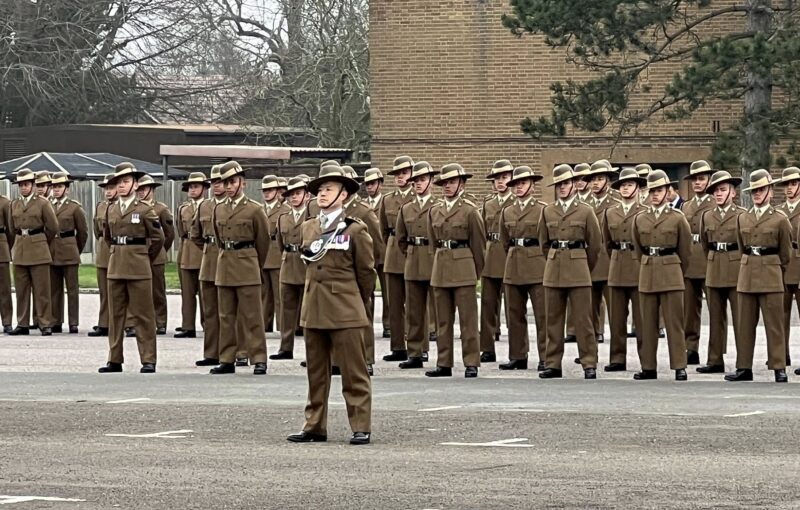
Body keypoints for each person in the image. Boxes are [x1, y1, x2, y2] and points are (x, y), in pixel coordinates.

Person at [287, 164, 374, 445]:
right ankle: (314, 425)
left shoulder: (356, 230)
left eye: (329, 189)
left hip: (345, 309)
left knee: (353, 372)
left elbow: (366, 274)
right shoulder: (308, 227)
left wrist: (355, 303)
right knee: (316, 372)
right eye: (320, 190)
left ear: (344, 195)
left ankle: (360, 425)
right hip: (314, 308)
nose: (322, 194)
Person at [725, 169, 791, 383]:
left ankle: (778, 366)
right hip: (747, 272)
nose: (757, 194)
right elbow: (742, 245)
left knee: (775, 324)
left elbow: (785, 253)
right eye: (754, 191)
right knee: (744, 324)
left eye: (761, 190)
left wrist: (774, 268)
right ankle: (744, 367)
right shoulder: (742, 217)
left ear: (770, 191)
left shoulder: (780, 219)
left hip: (771, 273)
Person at [99, 163, 164, 373]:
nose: (121, 186)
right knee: (115, 315)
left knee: (143, 315)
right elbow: (108, 237)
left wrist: (143, 256)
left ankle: (148, 359)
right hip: (116, 265)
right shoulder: (110, 209)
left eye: (126, 181)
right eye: (118, 182)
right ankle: (114, 359)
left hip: (138, 267)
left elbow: (157, 239)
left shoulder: (145, 209)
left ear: (136, 184)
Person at [538, 164, 602, 379]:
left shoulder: (586, 211)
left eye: (565, 183)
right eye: (559, 185)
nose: (562, 188)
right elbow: (544, 244)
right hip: (554, 267)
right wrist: (555, 259)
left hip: (578, 268)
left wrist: (583, 264)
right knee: (553, 320)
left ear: (574, 184)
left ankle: (589, 362)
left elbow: (594, 245)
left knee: (583, 320)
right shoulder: (548, 211)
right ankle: (552, 363)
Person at [209, 161, 270, 376]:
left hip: (247, 265)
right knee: (226, 316)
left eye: (232, 181)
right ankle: (227, 358)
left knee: (252, 315)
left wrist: (254, 263)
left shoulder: (254, 209)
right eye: (225, 183)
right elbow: (218, 239)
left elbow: (263, 241)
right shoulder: (219, 208)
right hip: (225, 264)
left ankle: (259, 358)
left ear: (242, 183)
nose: (228, 186)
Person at [631, 169, 692, 381]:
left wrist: (676, 269)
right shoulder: (640, 218)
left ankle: (679, 365)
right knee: (647, 324)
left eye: (659, 190)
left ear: (668, 192)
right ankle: (648, 366)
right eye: (652, 191)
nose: (655, 195)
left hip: (671, 272)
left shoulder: (677, 218)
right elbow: (639, 250)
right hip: (648, 271)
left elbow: (686, 251)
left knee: (674, 323)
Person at [425, 163, 485, 378]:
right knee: (442, 320)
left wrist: (475, 272)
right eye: (444, 183)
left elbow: (479, 246)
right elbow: (433, 243)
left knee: (468, 320)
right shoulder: (435, 210)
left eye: (452, 182)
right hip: (441, 267)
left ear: (462, 184)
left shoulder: (470, 211)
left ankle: (471, 362)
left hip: (464, 267)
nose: (447, 186)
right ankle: (444, 362)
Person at [498, 165, 546, 371]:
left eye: (523, 183)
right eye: (515, 184)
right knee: (514, 314)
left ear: (532, 186)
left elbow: (546, 239)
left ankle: (546, 357)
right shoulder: (507, 211)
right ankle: (518, 355)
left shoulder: (542, 209)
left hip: (536, 264)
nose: (518, 187)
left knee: (543, 315)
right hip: (514, 264)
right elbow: (504, 240)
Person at [697, 170, 745, 374]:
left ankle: (743, 362)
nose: (718, 194)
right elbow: (705, 244)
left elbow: (745, 244)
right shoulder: (707, 215)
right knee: (715, 318)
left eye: (723, 190)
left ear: (733, 193)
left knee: (741, 318)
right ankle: (715, 359)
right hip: (714, 267)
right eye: (715, 190)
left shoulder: (742, 215)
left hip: (735, 268)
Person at [602, 167, 647, 371]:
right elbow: (606, 242)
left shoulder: (645, 212)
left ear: (638, 188)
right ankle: (617, 358)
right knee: (617, 318)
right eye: (622, 185)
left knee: (642, 319)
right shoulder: (610, 213)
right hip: (617, 265)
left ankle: (646, 359)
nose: (625, 188)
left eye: (629, 185)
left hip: (638, 268)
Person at [395, 161, 439, 369]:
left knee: (437, 309)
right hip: (413, 259)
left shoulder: (438, 207)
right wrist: (411, 252)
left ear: (431, 182)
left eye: (422, 180)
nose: (418, 184)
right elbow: (401, 239)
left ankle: (439, 352)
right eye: (415, 181)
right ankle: (415, 352)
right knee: (413, 310)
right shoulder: (406, 209)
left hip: (433, 259)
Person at [9, 169, 58, 336]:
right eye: (21, 185)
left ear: (33, 185)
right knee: (21, 290)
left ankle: (45, 323)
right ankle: (22, 323)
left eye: (26, 184)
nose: (23, 188)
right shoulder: (14, 204)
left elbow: (52, 227)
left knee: (42, 290)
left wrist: (42, 241)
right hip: (20, 249)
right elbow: (11, 228)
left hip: (38, 249)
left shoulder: (43, 203)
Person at [271, 176, 312, 360]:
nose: (294, 197)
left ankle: (311, 351)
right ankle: (285, 348)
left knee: (309, 313)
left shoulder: (312, 218)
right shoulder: (282, 218)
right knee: (286, 311)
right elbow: (280, 244)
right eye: (291, 194)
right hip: (288, 265)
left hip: (305, 267)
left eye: (298, 193)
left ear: (306, 195)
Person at [380, 156, 416, 361]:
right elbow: (383, 229)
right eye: (397, 174)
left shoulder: (417, 197)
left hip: (414, 252)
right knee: (393, 303)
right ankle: (397, 346)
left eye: (403, 173)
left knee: (414, 304)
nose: (400, 177)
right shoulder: (387, 200)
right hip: (393, 253)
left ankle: (417, 346)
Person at [479, 160, 514, 363]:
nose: (500, 182)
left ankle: (516, 349)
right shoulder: (488, 204)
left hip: (510, 256)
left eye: (504, 178)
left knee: (513, 308)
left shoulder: (515, 203)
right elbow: (481, 231)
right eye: (497, 179)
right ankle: (487, 348)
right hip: (491, 256)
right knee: (488, 305)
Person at [681, 160, 716, 365]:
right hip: (689, 260)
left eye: (701, 178)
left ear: (709, 180)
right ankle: (691, 348)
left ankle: (715, 352)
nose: (697, 183)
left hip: (708, 259)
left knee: (715, 310)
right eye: (694, 179)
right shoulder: (686, 205)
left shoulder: (714, 203)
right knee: (689, 310)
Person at [48, 172, 88, 334]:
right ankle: (56, 320)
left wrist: (76, 249)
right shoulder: (48, 205)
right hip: (52, 252)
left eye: (59, 187)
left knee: (72, 290)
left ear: (67, 189)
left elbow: (83, 232)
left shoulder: (74, 207)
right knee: (54, 290)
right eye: (54, 187)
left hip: (69, 250)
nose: (56, 190)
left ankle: (73, 322)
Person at [134, 174, 175, 336]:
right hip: (139, 253)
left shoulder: (161, 209)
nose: (141, 192)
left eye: (144, 189)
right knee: (140, 291)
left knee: (157, 291)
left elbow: (169, 234)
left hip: (156, 254)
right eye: (139, 189)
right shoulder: (135, 208)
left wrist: (160, 250)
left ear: (152, 190)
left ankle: (161, 322)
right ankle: (142, 322)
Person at [585, 159, 620, 343]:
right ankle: (592, 341)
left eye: (599, 178)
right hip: (589, 259)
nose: (595, 183)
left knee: (614, 307)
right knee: (589, 305)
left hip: (610, 259)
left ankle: (616, 347)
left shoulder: (617, 202)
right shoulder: (584, 203)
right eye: (593, 179)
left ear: (608, 180)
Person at [174, 173, 207, 337]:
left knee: (206, 294)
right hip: (187, 252)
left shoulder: (209, 207)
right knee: (187, 293)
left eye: (196, 186)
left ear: (204, 188)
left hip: (204, 253)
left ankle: (208, 324)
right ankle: (188, 326)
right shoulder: (183, 208)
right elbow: (181, 231)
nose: (192, 190)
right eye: (190, 187)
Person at [363, 168, 392, 338]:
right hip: (368, 252)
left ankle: (388, 324)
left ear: (380, 184)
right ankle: (368, 324)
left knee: (388, 291)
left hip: (384, 252)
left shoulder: (387, 202)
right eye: (367, 184)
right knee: (368, 290)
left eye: (372, 183)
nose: (369, 187)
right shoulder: (362, 204)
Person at [776, 166, 800, 367]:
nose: (790, 188)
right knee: (779, 315)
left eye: (794, 183)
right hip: (783, 265)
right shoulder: (779, 211)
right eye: (787, 185)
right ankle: (781, 356)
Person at [89, 174, 117, 337]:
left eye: (111, 188)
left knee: (121, 291)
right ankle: (104, 322)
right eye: (106, 188)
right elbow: (96, 230)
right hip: (103, 252)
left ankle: (129, 323)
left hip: (119, 250)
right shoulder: (100, 206)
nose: (108, 191)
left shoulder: (121, 207)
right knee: (104, 291)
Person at [261, 175, 290, 333]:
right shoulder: (259, 209)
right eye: (264, 190)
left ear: (278, 191)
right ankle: (265, 325)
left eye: (270, 190)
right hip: (263, 254)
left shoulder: (285, 210)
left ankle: (282, 327)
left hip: (277, 255)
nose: (266, 193)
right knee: (264, 295)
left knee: (280, 295)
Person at [0, 174, 15, 334]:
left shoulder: (5, 203)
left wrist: (6, 246)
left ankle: (6, 321)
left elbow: (11, 230)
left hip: (1, 247)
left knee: (4, 289)